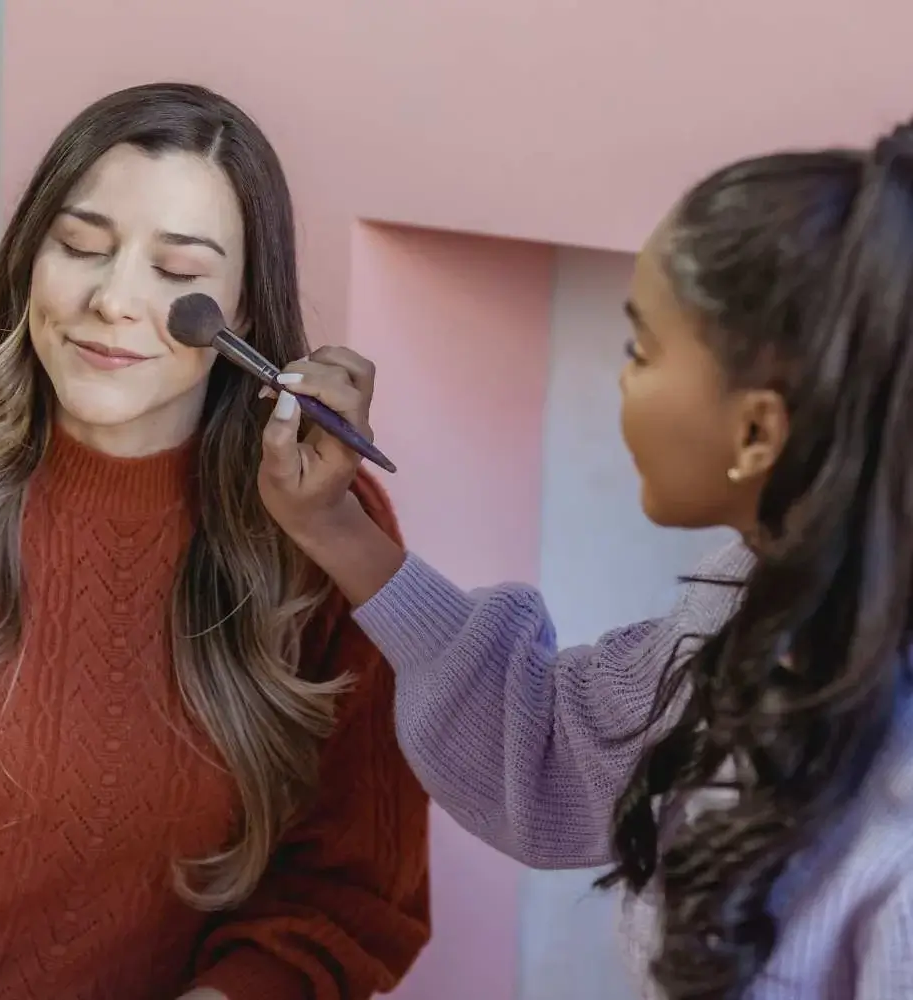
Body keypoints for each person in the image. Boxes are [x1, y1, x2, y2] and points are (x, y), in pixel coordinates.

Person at [257, 125, 913, 999]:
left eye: (641, 350)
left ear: (756, 431)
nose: (622, 379)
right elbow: (550, 746)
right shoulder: (752, 602)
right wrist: (333, 525)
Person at [0, 82, 429, 1000]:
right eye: (81, 247)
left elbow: (350, 894)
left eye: (178, 269)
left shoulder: (324, 540)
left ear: (245, 306)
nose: (113, 300)